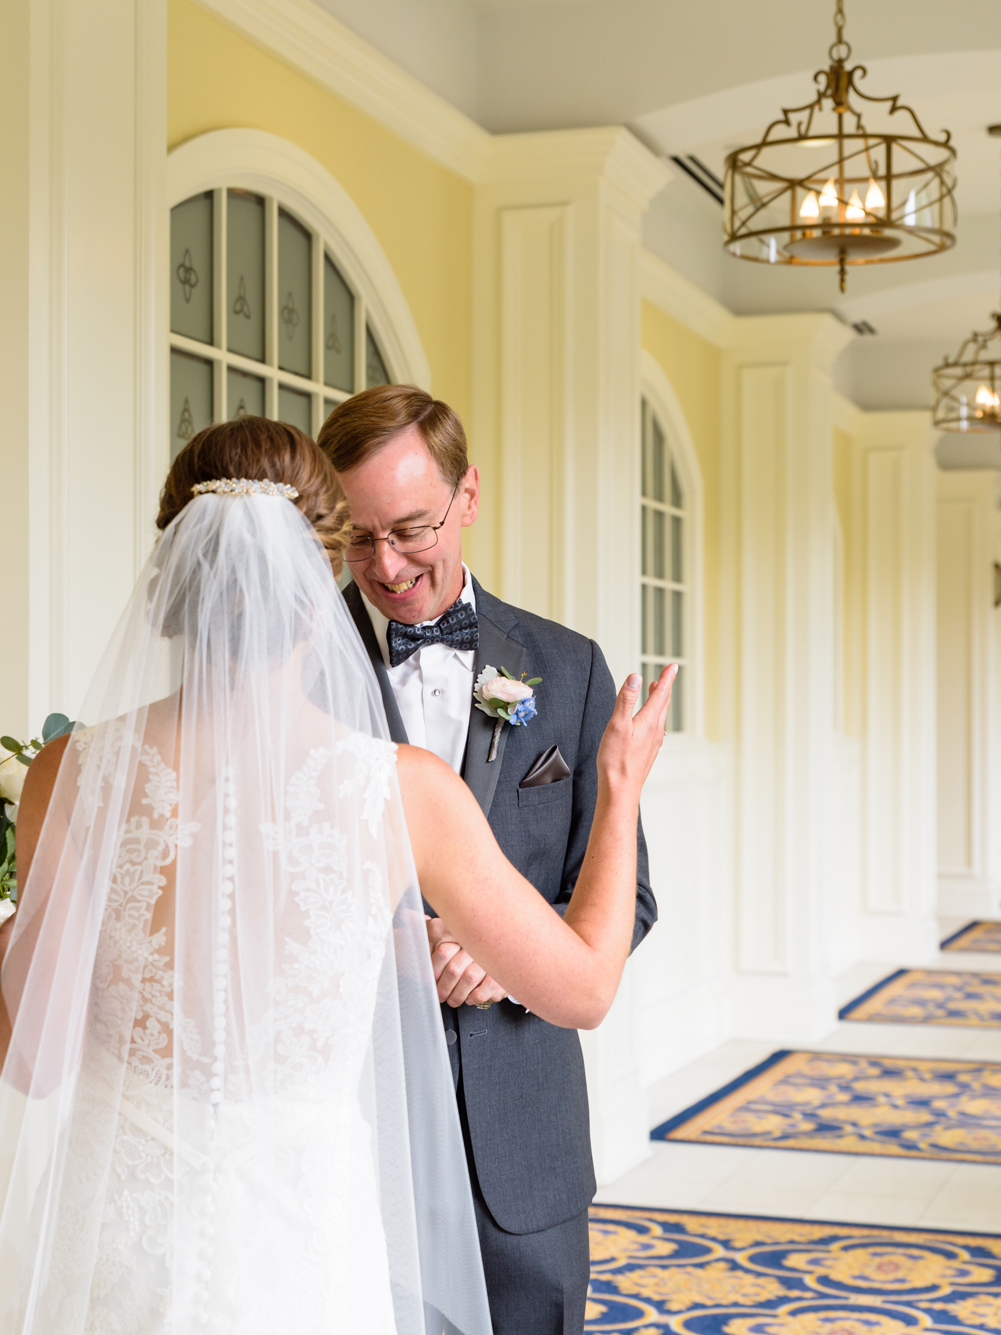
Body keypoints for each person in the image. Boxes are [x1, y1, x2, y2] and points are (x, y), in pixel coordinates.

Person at [0, 416, 671, 1335]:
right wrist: (618, 787)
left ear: (173, 571)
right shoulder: (401, 792)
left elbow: (35, 1061)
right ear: (316, 581)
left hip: (121, 1237)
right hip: (301, 1241)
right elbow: (586, 986)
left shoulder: (73, 769)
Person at [319, 384, 658, 1335]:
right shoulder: (291, 670)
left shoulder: (569, 664)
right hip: (352, 1127)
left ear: (469, 496)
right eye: (357, 537)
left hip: (527, 1135)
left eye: (412, 528)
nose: (385, 565)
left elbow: (626, 893)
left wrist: (512, 947)